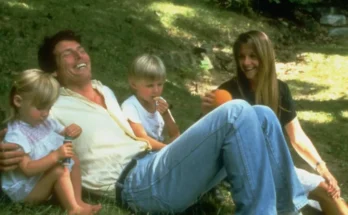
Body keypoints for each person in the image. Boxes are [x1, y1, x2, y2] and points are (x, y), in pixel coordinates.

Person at [0, 30, 309, 214]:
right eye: (67, 54)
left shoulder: (103, 89)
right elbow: (19, 120)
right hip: (137, 183)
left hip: (155, 161)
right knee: (237, 111)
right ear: (53, 72)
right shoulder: (52, 104)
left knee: (264, 115)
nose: (79, 54)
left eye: (80, 49)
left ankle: (285, 208)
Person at [201, 30, 348, 215]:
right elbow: (207, 145)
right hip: (246, 172)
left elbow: (297, 136)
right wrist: (208, 114)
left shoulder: (280, 90)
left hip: (278, 167)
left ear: (265, 57)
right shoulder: (227, 93)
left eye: (253, 56)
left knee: (330, 192)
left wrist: (323, 169)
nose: (246, 63)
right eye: (242, 57)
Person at [0, 69, 101, 215]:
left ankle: (78, 202)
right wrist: (55, 156)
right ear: (18, 102)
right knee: (59, 170)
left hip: (39, 179)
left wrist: (73, 130)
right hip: (26, 190)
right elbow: (28, 169)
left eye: (49, 107)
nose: (46, 113)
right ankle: (73, 209)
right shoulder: (16, 135)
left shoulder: (45, 122)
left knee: (74, 159)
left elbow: (64, 132)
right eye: (40, 107)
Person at [121, 54, 180, 150]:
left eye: (160, 84)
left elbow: (176, 134)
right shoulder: (130, 107)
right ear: (134, 84)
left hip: (157, 151)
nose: (156, 90)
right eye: (150, 85)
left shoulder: (159, 102)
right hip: (140, 155)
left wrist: (166, 114)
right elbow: (142, 139)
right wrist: (167, 150)